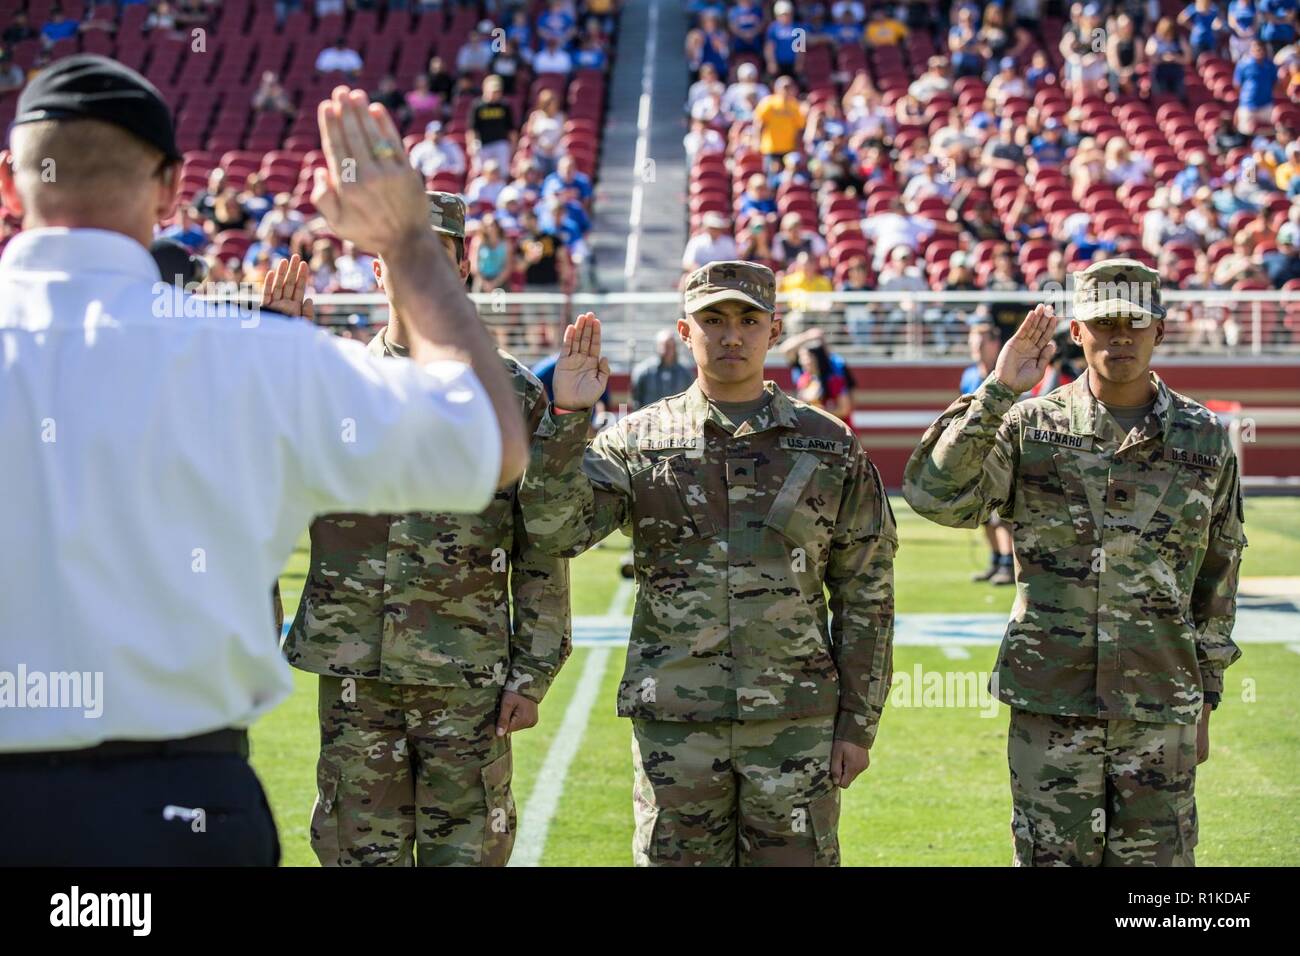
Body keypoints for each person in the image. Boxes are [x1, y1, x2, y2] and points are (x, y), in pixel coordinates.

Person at [0, 59, 528, 865]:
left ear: (11, 184)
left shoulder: (257, 352)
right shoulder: (253, 356)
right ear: (173, 187)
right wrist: (408, 245)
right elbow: (487, 440)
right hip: (177, 804)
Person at [518, 262, 897, 866]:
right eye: (713, 320)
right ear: (684, 330)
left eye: (749, 320)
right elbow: (554, 531)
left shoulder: (829, 445)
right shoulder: (637, 439)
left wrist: (858, 723)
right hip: (677, 724)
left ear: (774, 332)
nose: (731, 336)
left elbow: (866, 592)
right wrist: (567, 421)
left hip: (794, 725)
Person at [903, 258, 1245, 866]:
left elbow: (1217, 577)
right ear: (1077, 332)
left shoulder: (1205, 438)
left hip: (1160, 701)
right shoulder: (1029, 425)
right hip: (1051, 702)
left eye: (1135, 323)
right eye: (1104, 321)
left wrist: (1207, 698)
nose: (1120, 336)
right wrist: (998, 388)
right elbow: (936, 496)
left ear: (1159, 332)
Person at [284, 193, 570, 867]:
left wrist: (533, 670)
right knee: (358, 855)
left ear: (462, 266)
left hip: (465, 675)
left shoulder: (512, 394)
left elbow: (541, 546)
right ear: (376, 268)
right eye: (398, 255)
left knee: (467, 855)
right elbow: (256, 482)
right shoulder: (333, 381)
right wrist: (273, 354)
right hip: (357, 672)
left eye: (433, 256)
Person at [960, 318, 1014, 584]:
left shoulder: (1005, 373)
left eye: (981, 340)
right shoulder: (969, 375)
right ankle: (995, 560)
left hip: (1000, 449)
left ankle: (1008, 563)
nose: (976, 346)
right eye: (973, 340)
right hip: (975, 452)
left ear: (995, 344)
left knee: (1000, 513)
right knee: (981, 513)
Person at [630, 329, 694, 410]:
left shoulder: (685, 373)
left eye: (672, 346)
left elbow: (690, 399)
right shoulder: (643, 371)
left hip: (678, 420)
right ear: (657, 346)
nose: (669, 350)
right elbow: (636, 400)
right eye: (666, 346)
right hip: (650, 419)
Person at [468, 75, 516, 175]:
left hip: (501, 144)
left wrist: (513, 146)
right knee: (481, 173)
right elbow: (472, 128)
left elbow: (511, 128)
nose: (495, 94)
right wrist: (471, 144)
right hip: (483, 144)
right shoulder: (478, 106)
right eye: (493, 91)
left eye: (497, 91)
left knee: (503, 173)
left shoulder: (504, 106)